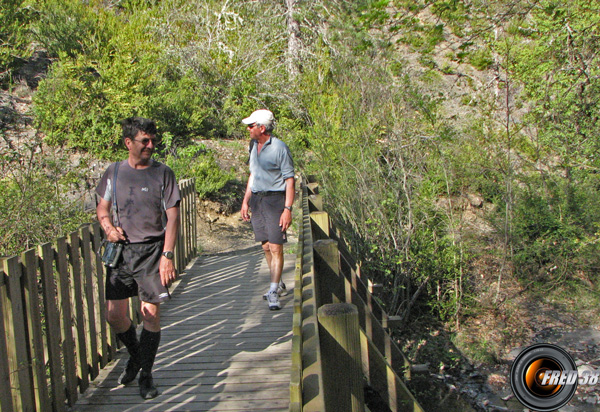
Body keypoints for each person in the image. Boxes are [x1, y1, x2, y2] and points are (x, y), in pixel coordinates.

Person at [95, 117, 180, 399]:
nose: (151, 145)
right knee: (114, 316)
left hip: (152, 252)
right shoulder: (114, 173)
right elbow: (102, 209)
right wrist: (108, 229)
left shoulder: (163, 173)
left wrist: (168, 254)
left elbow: (172, 216)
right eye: (145, 141)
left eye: (153, 140)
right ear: (128, 143)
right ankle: (137, 356)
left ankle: (146, 375)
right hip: (121, 254)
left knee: (151, 316)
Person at [240, 109, 295, 310]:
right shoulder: (252, 145)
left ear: (262, 128)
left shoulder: (280, 148)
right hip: (257, 200)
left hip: (275, 200)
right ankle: (277, 280)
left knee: (276, 246)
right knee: (265, 246)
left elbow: (290, 180)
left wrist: (287, 209)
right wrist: (246, 201)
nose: (248, 129)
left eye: (251, 126)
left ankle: (273, 290)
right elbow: (252, 175)